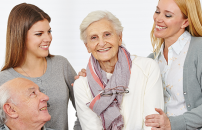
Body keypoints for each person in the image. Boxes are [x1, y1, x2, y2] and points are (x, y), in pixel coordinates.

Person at [73, 10, 164, 130]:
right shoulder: (81, 85)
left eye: (107, 34)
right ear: (87, 46)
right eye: (94, 38)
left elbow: (152, 123)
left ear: (119, 37)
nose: (101, 43)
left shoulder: (148, 68)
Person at [0, 3, 81, 130]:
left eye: (49, 32)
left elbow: (84, 110)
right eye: (39, 34)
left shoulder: (61, 65)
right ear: (20, 36)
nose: (48, 38)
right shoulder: (4, 80)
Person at [145, 0, 202, 129]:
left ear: (185, 22)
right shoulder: (151, 61)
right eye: (157, 11)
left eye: (168, 15)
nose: (158, 19)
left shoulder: (199, 49)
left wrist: (172, 123)